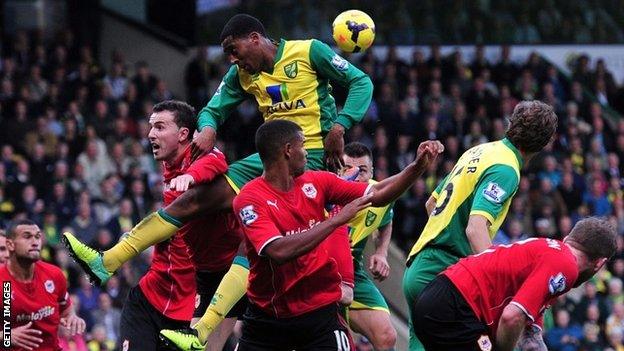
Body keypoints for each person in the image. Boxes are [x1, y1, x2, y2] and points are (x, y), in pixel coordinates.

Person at [63, 13, 373, 346]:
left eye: (233, 49)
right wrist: (209, 127)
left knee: (252, 240)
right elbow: (212, 108)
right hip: (267, 160)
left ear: (255, 38)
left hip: (307, 158)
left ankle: (199, 332)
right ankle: (107, 261)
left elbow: (361, 82)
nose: (232, 58)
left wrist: (340, 126)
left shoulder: (309, 51)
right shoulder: (242, 72)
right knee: (195, 200)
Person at [160, 120, 442, 350]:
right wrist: (334, 221)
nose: (308, 152)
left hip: (318, 310)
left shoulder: (317, 182)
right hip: (269, 317)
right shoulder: (249, 199)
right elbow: (278, 251)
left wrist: (417, 167)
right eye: (303, 146)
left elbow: (378, 193)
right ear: (287, 150)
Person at [67, 100, 242, 351]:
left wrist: (191, 177)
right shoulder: (167, 164)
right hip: (148, 299)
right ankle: (106, 262)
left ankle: (106, 262)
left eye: (159, 127)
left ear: (183, 134)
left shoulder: (205, 163)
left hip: (193, 308)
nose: (150, 134)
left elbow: (215, 161)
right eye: (151, 127)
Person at [403, 100, 558, 351]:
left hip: (419, 265)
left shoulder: (479, 151)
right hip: (444, 269)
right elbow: (475, 228)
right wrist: (494, 282)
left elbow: (432, 203)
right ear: (545, 143)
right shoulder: (506, 169)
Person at [413, 217, 617, 351]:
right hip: (455, 307)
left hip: (442, 296)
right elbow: (511, 317)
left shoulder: (548, 251)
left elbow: (531, 335)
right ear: (600, 263)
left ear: (567, 238)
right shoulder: (565, 266)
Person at [340, 142, 397, 350]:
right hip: (316, 274)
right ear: (338, 169)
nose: (355, 175)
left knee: (387, 336)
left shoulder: (379, 197)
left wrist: (381, 252)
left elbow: (386, 221)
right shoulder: (324, 191)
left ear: (372, 172)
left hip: (353, 275)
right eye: (347, 169)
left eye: (362, 170)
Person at [0, 219, 86, 350]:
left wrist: (73, 318)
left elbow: (67, 309)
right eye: (27, 236)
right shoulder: (3, 282)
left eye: (38, 236)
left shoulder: (54, 274)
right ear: (10, 245)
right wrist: (6, 336)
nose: (35, 242)